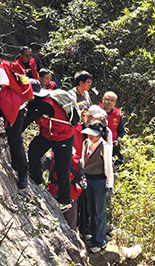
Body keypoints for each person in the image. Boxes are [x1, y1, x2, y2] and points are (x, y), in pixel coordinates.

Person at [0, 43, 33, 188]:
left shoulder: (0, 71)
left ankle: (22, 172)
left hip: (14, 107)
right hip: (3, 102)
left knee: (14, 139)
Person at [24, 81, 77, 211]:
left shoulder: (44, 105)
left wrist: (12, 134)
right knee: (34, 149)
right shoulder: (40, 102)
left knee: (61, 167)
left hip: (64, 136)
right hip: (48, 134)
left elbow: (26, 120)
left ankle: (65, 199)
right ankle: (36, 178)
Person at [81, 121, 114, 253]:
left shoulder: (105, 147)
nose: (90, 136)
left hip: (99, 182)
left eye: (93, 135)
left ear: (99, 134)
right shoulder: (86, 143)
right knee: (90, 210)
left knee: (99, 212)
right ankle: (94, 236)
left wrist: (109, 185)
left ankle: (99, 240)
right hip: (87, 180)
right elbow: (83, 161)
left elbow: (108, 168)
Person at [42, 149, 86, 231]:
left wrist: (83, 182)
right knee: (58, 221)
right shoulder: (51, 158)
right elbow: (41, 167)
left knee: (70, 223)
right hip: (56, 194)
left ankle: (71, 236)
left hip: (69, 194)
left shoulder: (76, 160)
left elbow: (81, 176)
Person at [100, 91, 125, 161]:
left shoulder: (117, 114)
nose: (109, 102)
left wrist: (117, 141)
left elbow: (121, 131)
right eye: (107, 99)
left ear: (115, 103)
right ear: (103, 100)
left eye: (112, 100)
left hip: (113, 146)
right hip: (98, 145)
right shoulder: (97, 111)